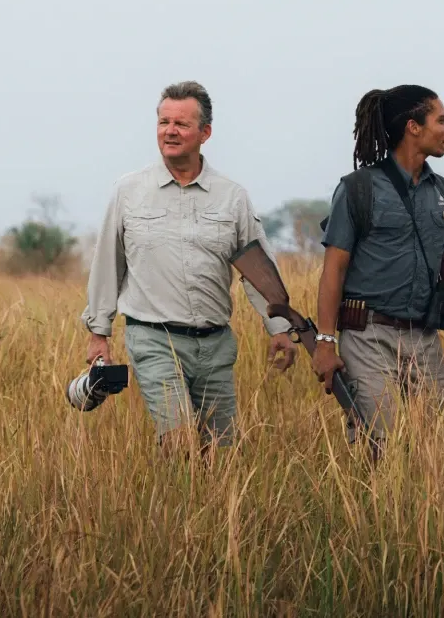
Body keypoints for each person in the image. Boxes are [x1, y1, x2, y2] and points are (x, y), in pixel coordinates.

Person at [81, 80, 297, 451]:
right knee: (178, 440)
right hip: (154, 338)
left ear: (205, 133)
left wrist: (279, 327)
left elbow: (258, 270)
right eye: (164, 122)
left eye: (181, 124)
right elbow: (107, 265)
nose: (170, 131)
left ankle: (200, 491)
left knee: (220, 450)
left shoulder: (232, 197)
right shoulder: (128, 191)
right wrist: (99, 333)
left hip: (215, 344)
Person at [312, 85, 444, 456]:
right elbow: (333, 269)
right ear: (413, 127)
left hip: (424, 338)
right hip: (367, 336)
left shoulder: (441, 190)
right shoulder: (357, 189)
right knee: (381, 447)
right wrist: (325, 341)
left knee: (437, 452)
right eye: (441, 120)